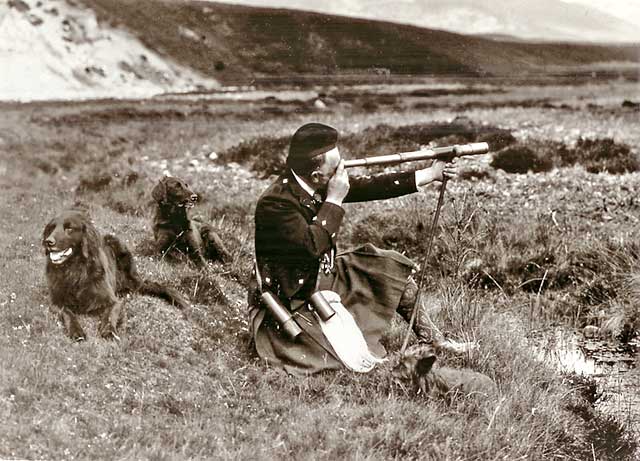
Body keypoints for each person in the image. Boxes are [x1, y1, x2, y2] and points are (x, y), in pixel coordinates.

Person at [249, 122, 466, 375]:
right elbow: (310, 248)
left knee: (390, 266)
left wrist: (430, 174)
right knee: (346, 360)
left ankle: (434, 341)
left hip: (320, 278)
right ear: (317, 177)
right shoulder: (276, 203)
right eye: (337, 169)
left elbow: (367, 185)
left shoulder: (311, 180)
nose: (343, 172)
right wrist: (334, 200)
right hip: (291, 300)